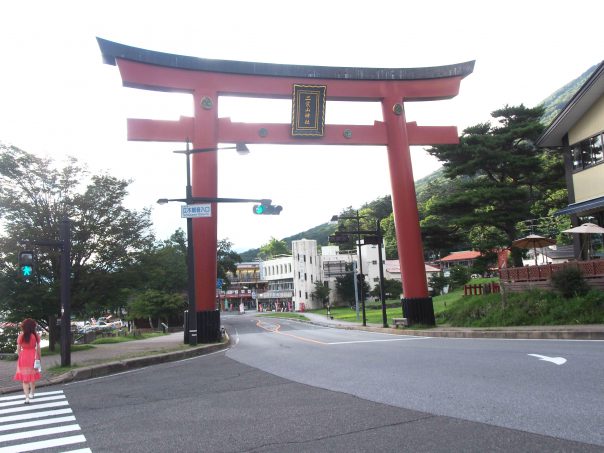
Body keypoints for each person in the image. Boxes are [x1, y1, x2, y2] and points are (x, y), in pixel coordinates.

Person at [13, 318, 41, 404]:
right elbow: (39, 349)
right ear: (33, 327)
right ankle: (32, 393)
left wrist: (20, 355)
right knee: (32, 377)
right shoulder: (36, 335)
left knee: (25, 379)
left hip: (24, 356)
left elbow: (18, 348)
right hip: (33, 355)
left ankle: (27, 398)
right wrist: (39, 358)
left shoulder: (21, 335)